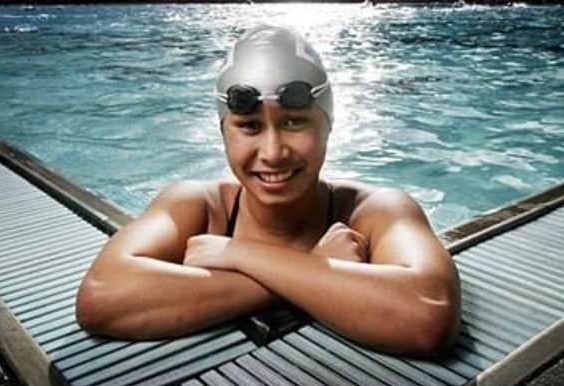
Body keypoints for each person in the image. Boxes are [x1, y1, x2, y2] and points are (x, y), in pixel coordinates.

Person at [76, 25, 460, 356]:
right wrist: (315, 268)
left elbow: (428, 317)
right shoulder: (197, 206)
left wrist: (237, 254)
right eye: (249, 126)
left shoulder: (375, 211)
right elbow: (101, 297)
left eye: (294, 122)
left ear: (328, 127)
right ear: (223, 133)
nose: (273, 153)